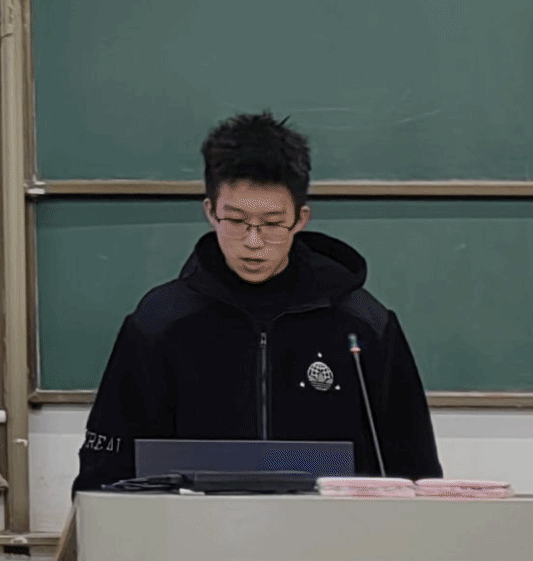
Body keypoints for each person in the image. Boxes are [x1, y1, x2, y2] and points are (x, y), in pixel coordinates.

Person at [73, 112, 440, 490]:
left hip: (333, 526)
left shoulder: (362, 322)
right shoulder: (161, 321)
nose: (253, 242)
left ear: (300, 219)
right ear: (210, 212)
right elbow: (106, 473)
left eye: (272, 223)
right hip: (195, 525)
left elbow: (415, 470)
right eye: (236, 221)